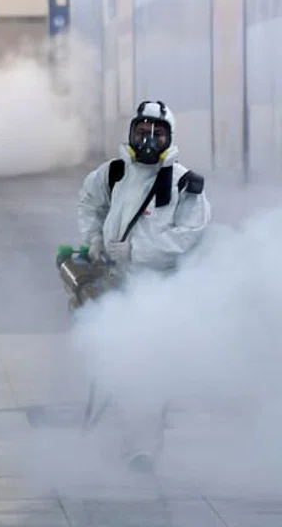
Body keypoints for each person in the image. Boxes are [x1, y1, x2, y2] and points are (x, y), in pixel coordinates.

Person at [77, 99, 211, 472]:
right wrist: (95, 239)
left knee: (147, 363)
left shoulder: (184, 183)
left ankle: (143, 447)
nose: (149, 140)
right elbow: (88, 203)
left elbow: (190, 235)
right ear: (131, 133)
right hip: (115, 284)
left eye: (157, 134)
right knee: (117, 361)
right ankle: (130, 436)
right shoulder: (113, 173)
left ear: (170, 137)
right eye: (142, 132)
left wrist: (136, 252)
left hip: (159, 291)